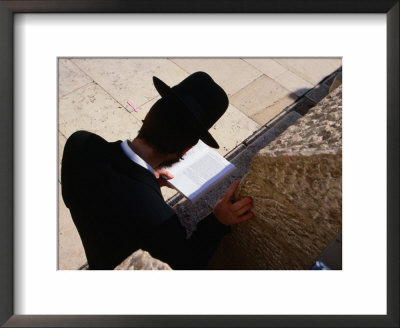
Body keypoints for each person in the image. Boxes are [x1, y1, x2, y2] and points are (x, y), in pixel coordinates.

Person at [61, 71, 254, 270]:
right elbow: (185, 263)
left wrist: (147, 181)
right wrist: (217, 221)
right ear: (185, 150)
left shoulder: (80, 145)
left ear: (146, 117)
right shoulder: (162, 222)